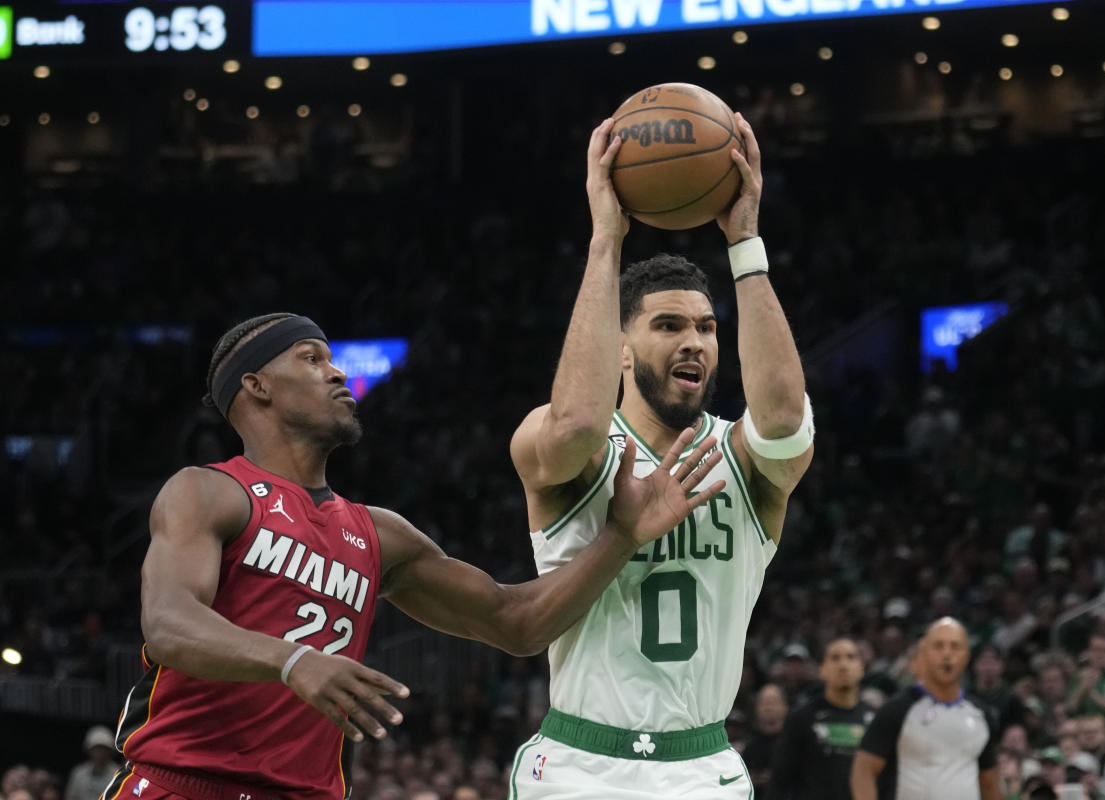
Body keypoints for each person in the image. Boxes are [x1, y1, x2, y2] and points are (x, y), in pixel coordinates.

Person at [102, 313, 726, 800]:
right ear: (256, 385)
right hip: (180, 782)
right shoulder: (208, 490)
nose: (337, 372)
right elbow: (168, 624)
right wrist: (294, 662)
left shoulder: (379, 534)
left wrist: (619, 536)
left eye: (333, 358)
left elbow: (514, 622)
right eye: (311, 358)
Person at [506, 112, 814, 799]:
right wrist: (605, 238)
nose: (696, 343)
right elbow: (579, 421)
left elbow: (788, 421)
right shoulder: (570, 452)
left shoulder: (743, 458)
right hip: (583, 765)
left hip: (704, 764)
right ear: (620, 347)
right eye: (668, 325)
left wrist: (745, 241)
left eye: (706, 328)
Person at [850, 618, 1001, 800]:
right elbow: (863, 772)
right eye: (938, 646)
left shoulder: (980, 714)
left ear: (966, 656)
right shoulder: (897, 710)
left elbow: (989, 783)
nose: (947, 654)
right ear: (925, 654)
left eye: (955, 647)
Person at [768, 638, 875, 800]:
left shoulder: (875, 719)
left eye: (851, 657)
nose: (843, 665)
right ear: (822, 669)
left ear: (861, 668)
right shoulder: (801, 718)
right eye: (835, 658)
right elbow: (779, 781)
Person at [64, 726, 120, 800]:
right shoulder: (78, 773)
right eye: (96, 749)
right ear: (89, 750)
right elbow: (71, 797)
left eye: (103, 749)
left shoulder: (118, 774)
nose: (100, 753)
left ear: (110, 751)